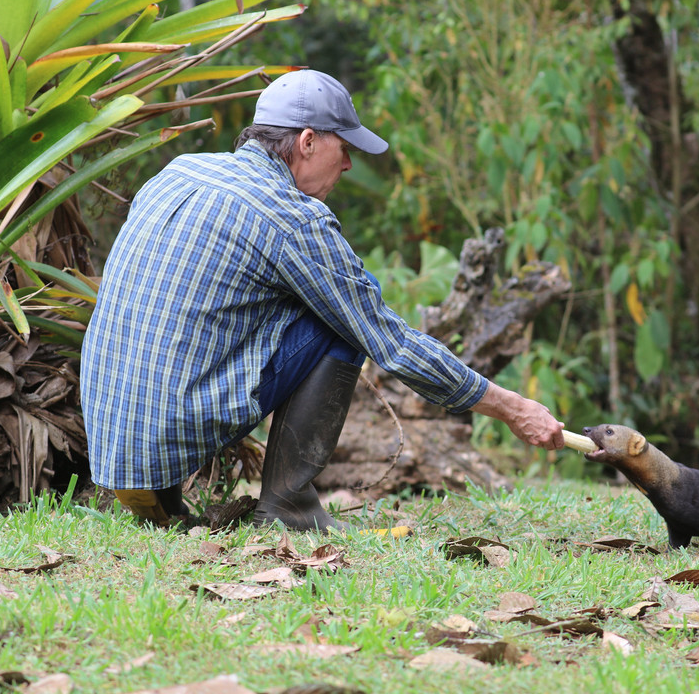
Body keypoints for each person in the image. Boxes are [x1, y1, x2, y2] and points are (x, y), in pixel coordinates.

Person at [80, 69, 566, 533]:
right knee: (345, 321)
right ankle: (288, 508)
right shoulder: (293, 217)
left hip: (108, 436)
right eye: (344, 147)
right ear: (308, 141)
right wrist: (513, 407)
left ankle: (159, 491)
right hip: (170, 429)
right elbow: (390, 342)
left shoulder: (180, 171)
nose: (350, 164)